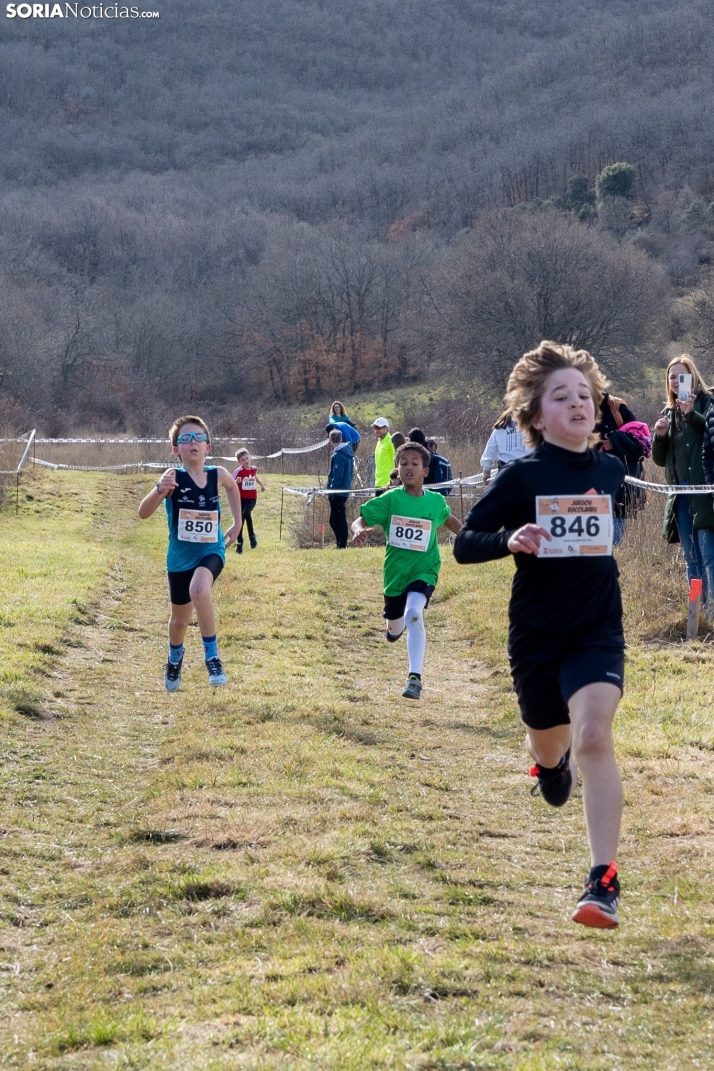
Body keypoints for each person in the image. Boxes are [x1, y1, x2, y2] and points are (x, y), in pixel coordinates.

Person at [454, 341, 627, 929]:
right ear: (533, 415)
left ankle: (602, 881)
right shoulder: (522, 476)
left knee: (594, 736)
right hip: (535, 634)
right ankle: (548, 768)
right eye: (562, 396)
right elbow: (463, 543)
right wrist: (507, 540)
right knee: (553, 750)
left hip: (598, 628)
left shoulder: (610, 468)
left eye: (586, 394)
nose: (579, 404)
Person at [352, 441, 462, 699]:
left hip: (425, 570)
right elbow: (360, 519)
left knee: (414, 612)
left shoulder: (435, 502)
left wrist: (474, 537)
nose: (408, 468)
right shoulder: (390, 499)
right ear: (397, 470)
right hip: (395, 576)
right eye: (403, 464)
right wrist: (358, 531)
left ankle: (415, 677)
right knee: (396, 624)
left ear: (425, 470)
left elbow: (450, 521)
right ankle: (393, 629)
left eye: (415, 463)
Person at [138, 415, 242, 691]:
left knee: (200, 590)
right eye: (185, 439)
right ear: (176, 450)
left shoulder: (217, 474)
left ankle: (212, 657)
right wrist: (159, 489)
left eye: (199, 438)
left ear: (208, 446)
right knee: (179, 620)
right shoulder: (172, 478)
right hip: (179, 558)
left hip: (212, 549)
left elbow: (232, 487)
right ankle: (175, 657)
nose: (193, 443)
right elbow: (143, 513)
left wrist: (238, 522)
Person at [652, 354, 714, 617]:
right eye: (672, 377)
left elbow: (709, 436)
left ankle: (713, 615)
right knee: (692, 560)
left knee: (710, 557)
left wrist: (691, 415)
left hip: (705, 494)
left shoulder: (708, 404)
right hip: (680, 497)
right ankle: (696, 615)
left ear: (693, 377)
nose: (676, 382)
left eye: (682, 376)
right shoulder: (669, 412)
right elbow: (659, 460)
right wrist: (660, 436)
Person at [599, 419, 651, 546]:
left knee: (615, 519)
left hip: (613, 489)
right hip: (623, 491)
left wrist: (613, 441)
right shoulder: (634, 440)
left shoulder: (617, 414)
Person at [480, 409, 532, 484]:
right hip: (526, 468)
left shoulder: (499, 429)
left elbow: (490, 449)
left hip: (505, 469)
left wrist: (487, 470)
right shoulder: (531, 428)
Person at [232, 448, 266, 554]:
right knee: (240, 520)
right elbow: (229, 481)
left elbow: (254, 477)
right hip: (241, 498)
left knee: (246, 513)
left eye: (247, 458)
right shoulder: (239, 471)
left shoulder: (254, 469)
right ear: (239, 462)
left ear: (250, 457)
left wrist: (261, 485)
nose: (246, 461)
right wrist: (235, 481)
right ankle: (240, 542)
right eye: (243, 460)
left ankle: (252, 536)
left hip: (252, 498)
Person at [326, 427, 354, 549]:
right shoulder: (347, 452)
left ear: (330, 440)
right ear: (341, 439)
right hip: (344, 490)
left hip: (338, 492)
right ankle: (340, 543)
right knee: (333, 520)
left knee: (339, 520)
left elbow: (337, 475)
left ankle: (342, 545)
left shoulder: (338, 455)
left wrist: (332, 491)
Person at [373, 417, 395, 494]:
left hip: (388, 485)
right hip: (378, 483)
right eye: (375, 427)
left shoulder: (391, 441)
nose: (376, 430)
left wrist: (392, 482)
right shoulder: (379, 442)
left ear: (386, 428)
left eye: (379, 427)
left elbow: (397, 462)